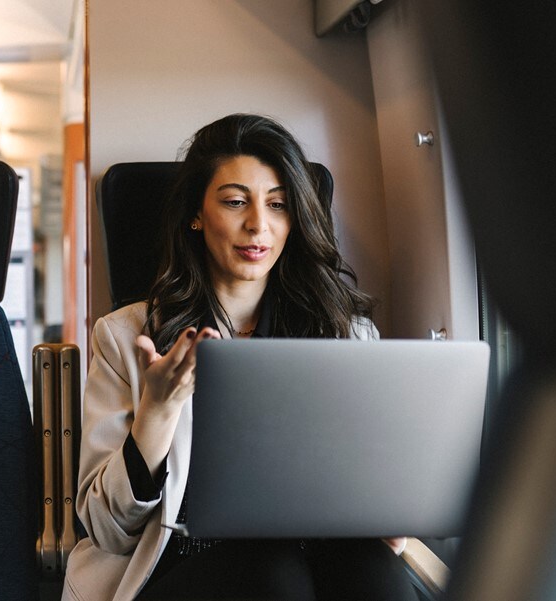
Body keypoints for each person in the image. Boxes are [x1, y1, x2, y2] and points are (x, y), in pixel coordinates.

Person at [61, 114, 414, 601]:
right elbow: (107, 530)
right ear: (196, 214)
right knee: (270, 572)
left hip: (312, 560)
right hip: (174, 572)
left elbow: (379, 499)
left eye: (278, 205)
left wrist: (390, 512)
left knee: (374, 569)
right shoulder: (125, 337)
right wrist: (157, 411)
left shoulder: (347, 335)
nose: (258, 225)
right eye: (235, 202)